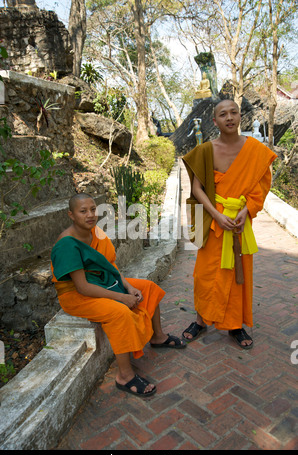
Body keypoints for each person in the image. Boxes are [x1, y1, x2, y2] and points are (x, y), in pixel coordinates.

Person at [51, 193, 186, 398]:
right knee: (119, 312)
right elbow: (82, 288)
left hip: (104, 281)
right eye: (83, 211)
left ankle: (158, 337)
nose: (90, 215)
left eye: (93, 209)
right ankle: (125, 375)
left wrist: (128, 287)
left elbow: (111, 266)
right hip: (76, 296)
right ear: (71, 214)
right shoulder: (66, 244)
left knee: (148, 287)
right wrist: (122, 298)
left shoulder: (97, 232)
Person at [181, 99, 277, 349]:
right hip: (215, 223)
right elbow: (196, 188)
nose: (229, 117)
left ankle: (235, 325)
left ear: (239, 117)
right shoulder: (206, 150)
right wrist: (215, 215)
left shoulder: (255, 149)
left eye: (234, 112)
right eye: (223, 114)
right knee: (205, 275)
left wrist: (247, 211)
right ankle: (201, 320)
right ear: (215, 121)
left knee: (238, 275)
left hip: (238, 222)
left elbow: (262, 187)